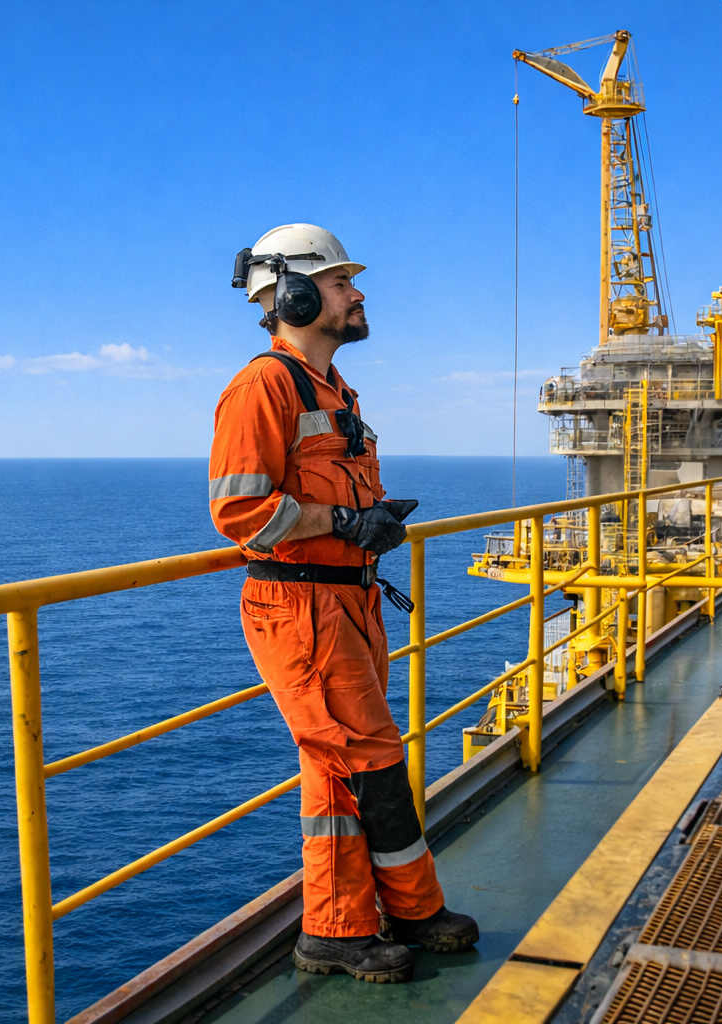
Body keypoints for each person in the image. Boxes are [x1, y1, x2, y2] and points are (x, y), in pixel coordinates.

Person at [208, 224, 478, 984]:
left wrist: (372, 519)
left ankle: (355, 923)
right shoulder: (263, 385)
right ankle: (392, 917)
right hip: (304, 611)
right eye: (338, 283)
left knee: (337, 769)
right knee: (370, 759)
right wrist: (342, 522)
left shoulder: (335, 390)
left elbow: (324, 491)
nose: (356, 294)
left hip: (348, 604)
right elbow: (238, 512)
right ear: (292, 295)